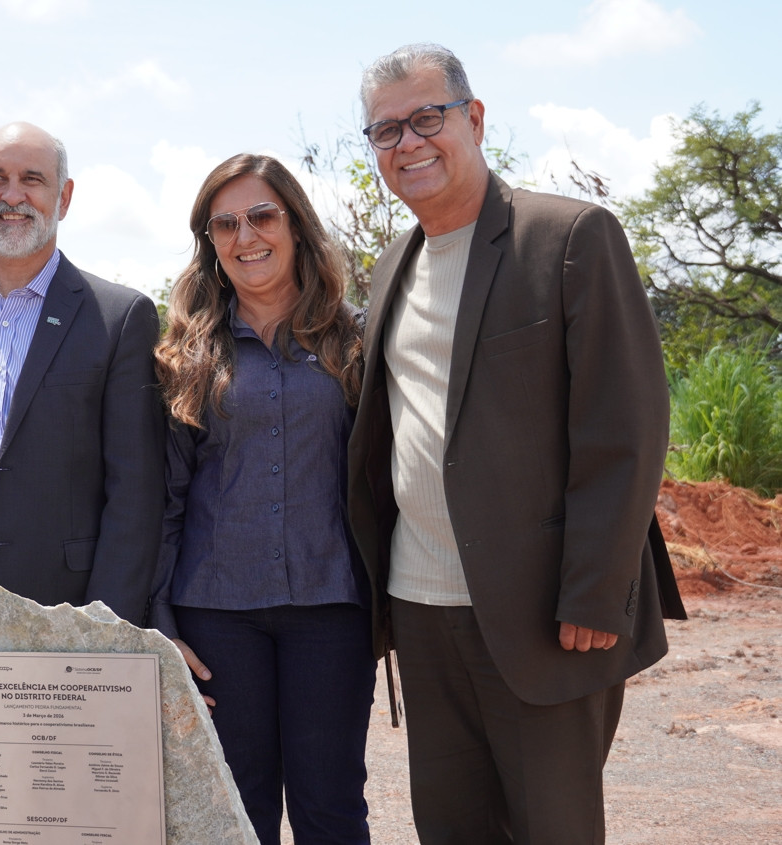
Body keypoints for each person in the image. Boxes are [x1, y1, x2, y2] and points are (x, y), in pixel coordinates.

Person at [347, 44, 687, 844]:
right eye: (386, 130)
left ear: (474, 118)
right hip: (420, 608)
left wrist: (596, 594)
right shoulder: (390, 264)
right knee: (451, 828)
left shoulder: (570, 236)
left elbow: (626, 427)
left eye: (427, 117)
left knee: (551, 829)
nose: (409, 143)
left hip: (543, 614)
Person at [152, 153, 375, 844]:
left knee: (331, 805)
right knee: (233, 812)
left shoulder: (356, 339)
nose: (245, 235)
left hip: (331, 611)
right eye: (225, 223)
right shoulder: (185, 353)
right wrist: (158, 614)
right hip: (217, 618)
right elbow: (167, 495)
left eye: (261, 215)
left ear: (298, 226)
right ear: (211, 243)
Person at [0, 122, 164, 623]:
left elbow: (135, 492)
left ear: (64, 197)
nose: (12, 195)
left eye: (32, 179)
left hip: (66, 610)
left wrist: (105, 624)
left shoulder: (119, 317)